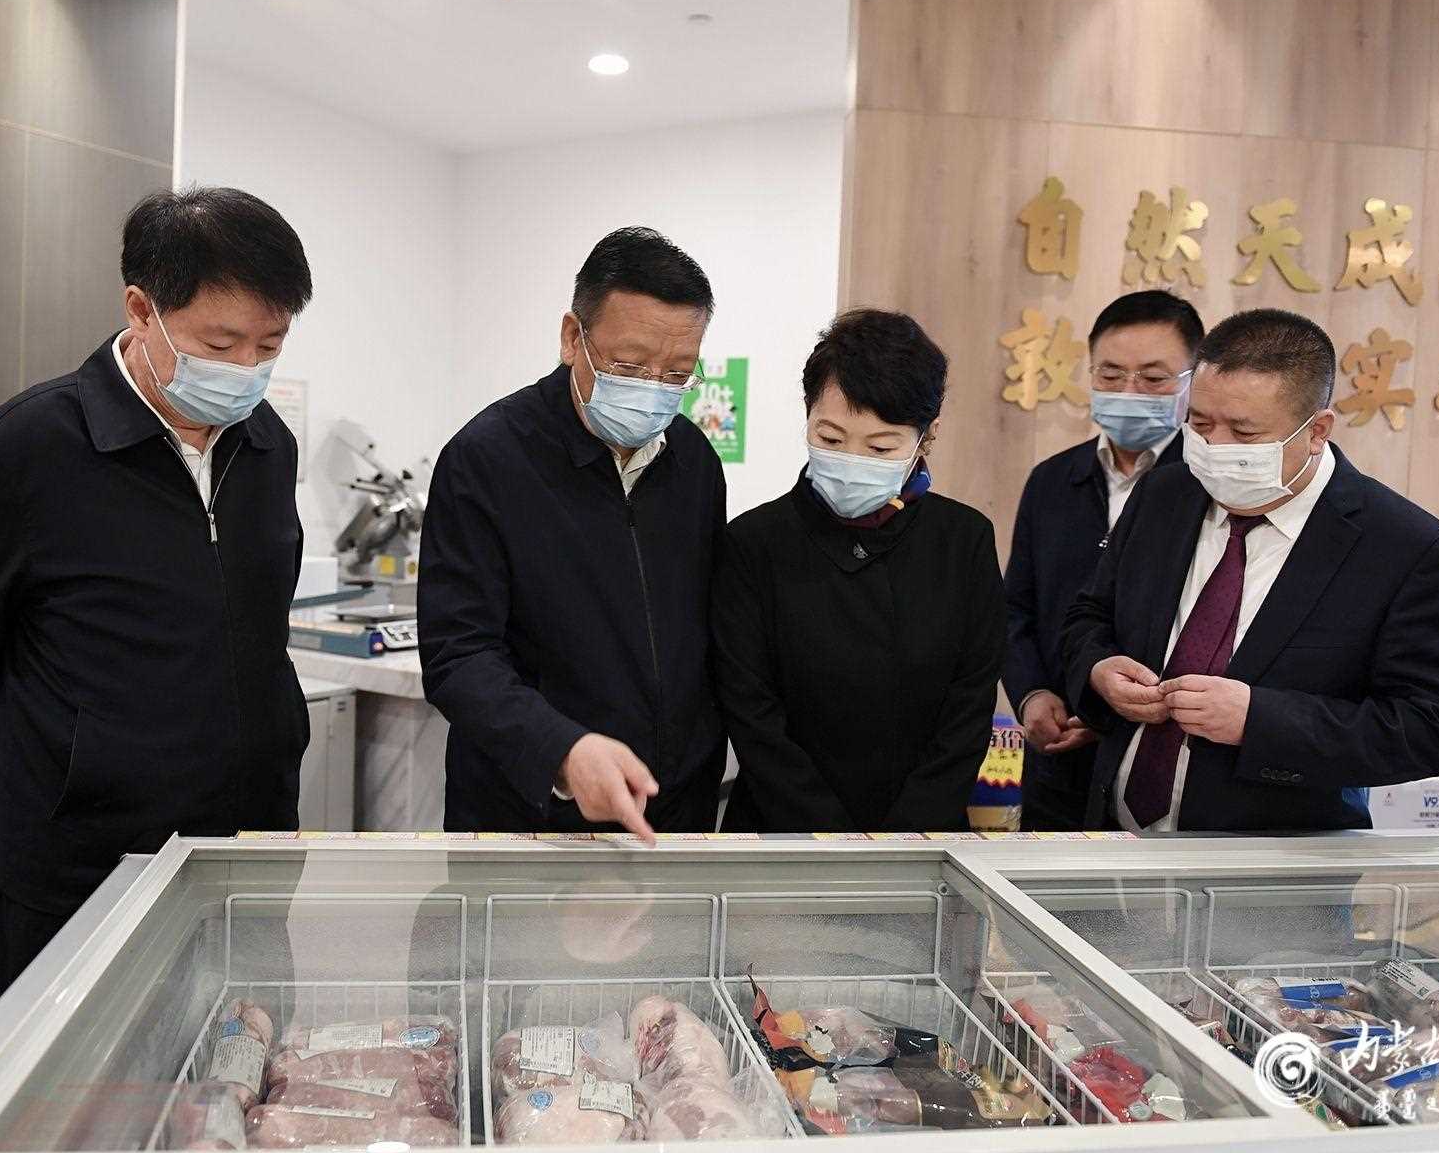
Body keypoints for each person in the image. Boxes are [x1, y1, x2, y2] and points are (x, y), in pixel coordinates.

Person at [0, 187, 314, 990]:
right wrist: (61, 774)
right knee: (83, 1063)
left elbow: (259, 629)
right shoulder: (23, 449)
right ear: (140, 309)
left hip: (250, 838)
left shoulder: (268, 446)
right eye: (220, 342)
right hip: (88, 858)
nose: (246, 369)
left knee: (245, 1043)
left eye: (269, 344)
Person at [1059, 308, 1439, 832]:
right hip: (1115, 838)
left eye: (1244, 432)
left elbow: (1437, 726)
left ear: (1316, 431)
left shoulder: (1405, 548)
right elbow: (1089, 615)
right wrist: (1099, 669)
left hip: (1279, 858)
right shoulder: (1165, 494)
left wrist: (1259, 720)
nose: (1215, 448)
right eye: (1200, 424)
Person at [420, 227, 726, 842]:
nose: (652, 388)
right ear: (571, 338)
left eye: (677, 374)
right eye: (629, 365)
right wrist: (562, 749)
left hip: (673, 811)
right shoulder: (488, 459)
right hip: (529, 816)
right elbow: (458, 655)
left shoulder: (693, 461)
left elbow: (701, 631)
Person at [715, 309, 1004, 832]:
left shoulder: (964, 541)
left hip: (921, 838)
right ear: (807, 416)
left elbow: (968, 709)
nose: (851, 460)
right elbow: (752, 713)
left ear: (926, 437)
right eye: (830, 438)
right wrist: (831, 841)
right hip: (779, 833)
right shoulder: (754, 543)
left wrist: (902, 841)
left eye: (880, 447)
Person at [1004, 290, 1201, 830]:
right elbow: (1016, 608)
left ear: (1194, 380)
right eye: (1110, 374)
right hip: (1055, 760)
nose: (1129, 391)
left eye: (1154, 378)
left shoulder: (1205, 485)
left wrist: (1108, 707)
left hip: (1158, 754)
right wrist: (1032, 696)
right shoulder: (1052, 480)